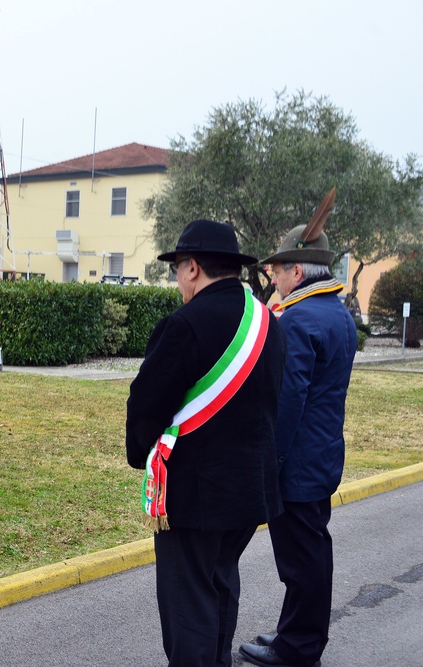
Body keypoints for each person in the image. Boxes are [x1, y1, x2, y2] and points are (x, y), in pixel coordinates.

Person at [126, 220, 286, 667]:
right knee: (220, 584)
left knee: (188, 605)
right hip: (250, 490)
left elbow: (146, 403)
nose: (178, 281)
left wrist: (141, 455)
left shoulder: (184, 325)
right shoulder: (267, 323)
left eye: (178, 269)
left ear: (192, 267)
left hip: (195, 496)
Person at [239, 209, 358, 667]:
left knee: (301, 562)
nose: (272, 276)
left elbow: (285, 403)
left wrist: (272, 460)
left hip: (298, 464)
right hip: (322, 455)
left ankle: (299, 649)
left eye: (277, 268)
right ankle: (295, 635)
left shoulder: (299, 320)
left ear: (296, 271)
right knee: (310, 555)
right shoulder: (336, 314)